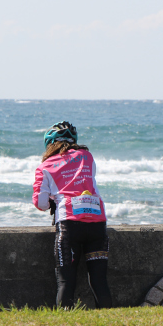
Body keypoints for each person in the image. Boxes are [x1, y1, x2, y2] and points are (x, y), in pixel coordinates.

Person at [32, 121, 112, 308]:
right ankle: (109, 322)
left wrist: (53, 198)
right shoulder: (87, 157)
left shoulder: (45, 166)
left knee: (66, 282)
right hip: (97, 222)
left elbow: (41, 203)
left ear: (50, 144)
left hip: (69, 224)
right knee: (99, 281)